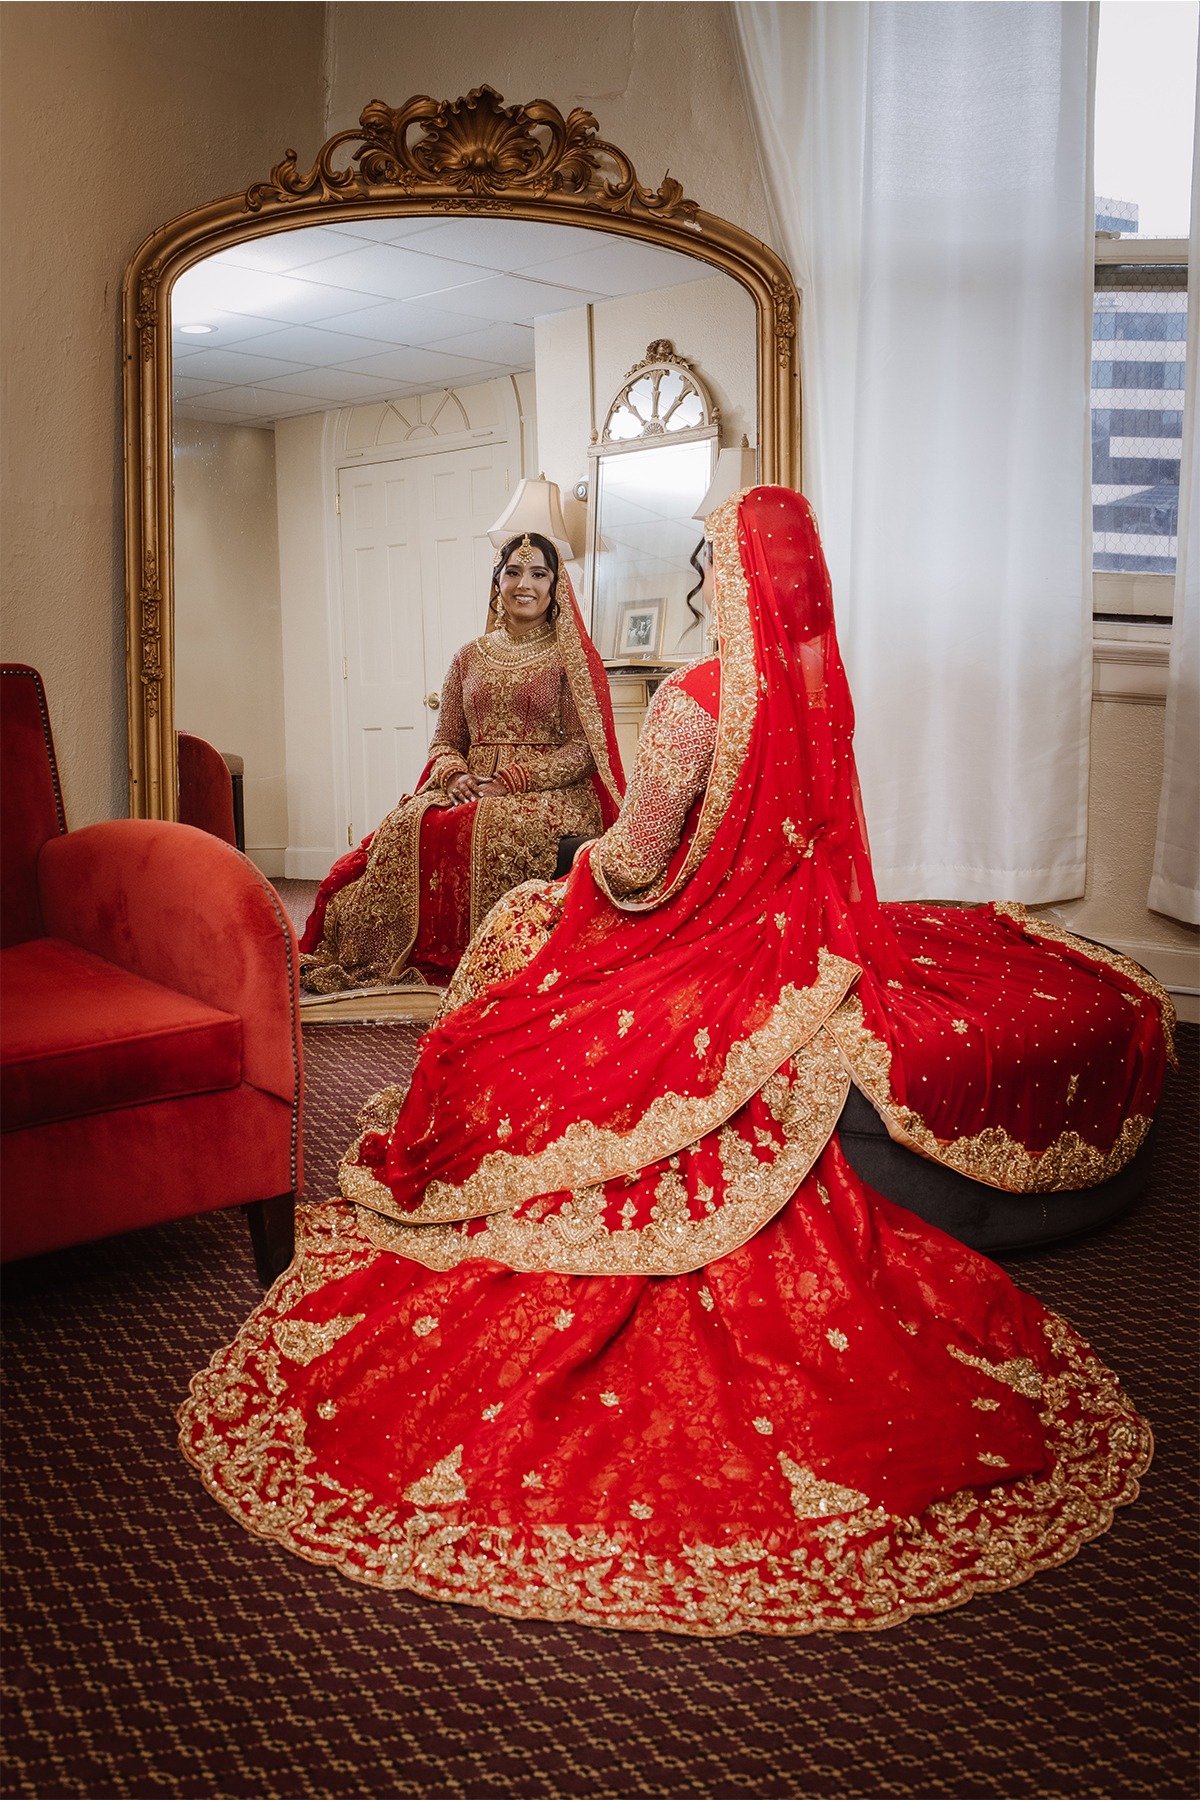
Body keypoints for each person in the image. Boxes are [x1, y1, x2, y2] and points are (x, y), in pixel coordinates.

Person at [182, 488, 1171, 1637]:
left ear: (732, 580)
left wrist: (566, 899)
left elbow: (635, 859)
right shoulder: (820, 684)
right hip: (822, 943)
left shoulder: (698, 702)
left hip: (716, 945)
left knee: (498, 1001)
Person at [298, 532, 624, 993]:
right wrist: (454, 774)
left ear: (556, 587)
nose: (524, 584)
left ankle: (484, 958)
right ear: (497, 582)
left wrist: (510, 780)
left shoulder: (570, 659)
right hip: (468, 783)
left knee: (485, 826)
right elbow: (445, 740)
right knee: (413, 822)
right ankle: (401, 953)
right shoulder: (467, 657)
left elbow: (585, 751)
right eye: (513, 572)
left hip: (548, 792)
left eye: (538, 573)